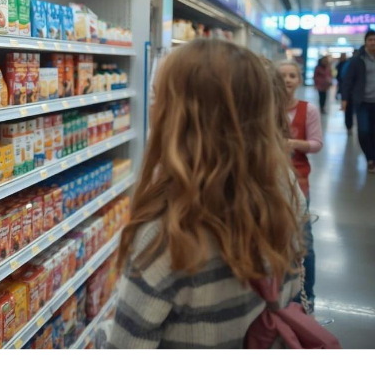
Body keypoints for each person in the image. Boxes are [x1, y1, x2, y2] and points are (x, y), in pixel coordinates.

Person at [96, 40, 306, 349]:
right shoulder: (282, 191)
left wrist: (101, 333)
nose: (151, 108)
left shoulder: (167, 237)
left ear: (185, 118)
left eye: (158, 96)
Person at [277, 59, 323, 313]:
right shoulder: (265, 108)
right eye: (282, 75)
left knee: (304, 240)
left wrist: (293, 144)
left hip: (299, 182)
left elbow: (316, 144)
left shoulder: (309, 110)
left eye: (292, 75)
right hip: (271, 182)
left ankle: (307, 296)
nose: (287, 80)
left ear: (299, 79)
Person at [341, 30, 375, 174]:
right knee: (363, 132)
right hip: (362, 102)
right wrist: (344, 99)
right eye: (370, 40)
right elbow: (348, 80)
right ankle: (370, 158)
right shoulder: (358, 60)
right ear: (365, 42)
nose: (373, 42)